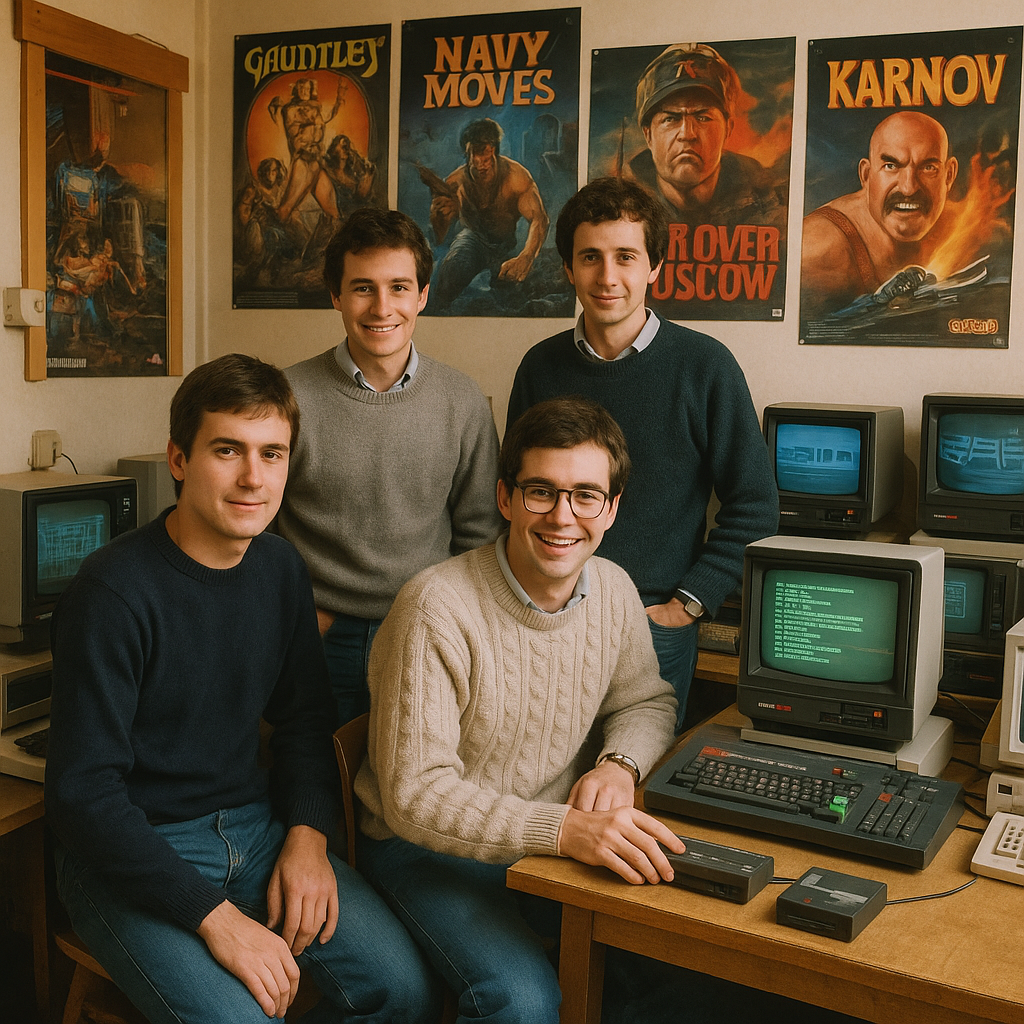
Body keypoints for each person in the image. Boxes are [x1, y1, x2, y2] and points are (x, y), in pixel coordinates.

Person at [46, 354, 439, 1024]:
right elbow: (84, 794)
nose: (254, 477)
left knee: (404, 993)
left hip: (256, 836)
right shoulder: (113, 590)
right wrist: (215, 919)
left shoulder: (281, 568)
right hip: (131, 855)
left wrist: (309, 838)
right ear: (178, 458)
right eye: (227, 450)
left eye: (273, 453)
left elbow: (305, 722)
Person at [354, 396, 683, 1023]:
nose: (563, 516)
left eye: (586, 495)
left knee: (666, 961)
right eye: (541, 492)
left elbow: (646, 701)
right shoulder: (435, 608)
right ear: (505, 499)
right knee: (524, 1002)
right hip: (425, 849)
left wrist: (618, 765)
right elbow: (414, 795)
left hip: (546, 846)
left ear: (611, 509)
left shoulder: (614, 587)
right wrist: (563, 829)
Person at [507, 177, 778, 729]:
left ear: (654, 267)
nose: (608, 277)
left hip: (653, 622)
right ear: (567, 268)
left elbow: (755, 504)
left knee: (633, 784)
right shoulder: (539, 367)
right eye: (590, 257)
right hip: (544, 616)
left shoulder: (705, 367)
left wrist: (688, 604)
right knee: (544, 780)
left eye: (625, 257)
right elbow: (515, 496)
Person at [276, 207, 502, 724]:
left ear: (422, 295)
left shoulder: (462, 400)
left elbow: (480, 535)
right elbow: (255, 521)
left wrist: (450, 622)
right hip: (317, 634)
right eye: (362, 288)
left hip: (424, 631)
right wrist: (294, 613)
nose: (382, 307)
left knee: (408, 794)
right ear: (335, 296)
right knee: (314, 783)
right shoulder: (286, 396)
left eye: (399, 287)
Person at [801, 111, 959, 319]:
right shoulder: (818, 248)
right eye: (891, 166)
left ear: (949, 175)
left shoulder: (965, 225)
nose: (909, 187)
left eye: (928, 168)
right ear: (866, 175)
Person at [628, 43, 785, 229]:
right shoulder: (619, 204)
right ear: (648, 135)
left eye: (703, 117)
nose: (687, 134)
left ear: (728, 129)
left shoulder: (770, 203)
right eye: (671, 118)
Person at [425, 117, 550, 308]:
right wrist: (438, 216)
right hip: (472, 240)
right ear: (467, 154)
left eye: (486, 155)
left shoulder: (515, 177)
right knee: (448, 277)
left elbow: (540, 219)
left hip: (506, 246)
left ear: (495, 152)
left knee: (518, 296)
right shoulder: (455, 182)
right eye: (475, 155)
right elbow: (439, 236)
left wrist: (526, 256)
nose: (481, 163)